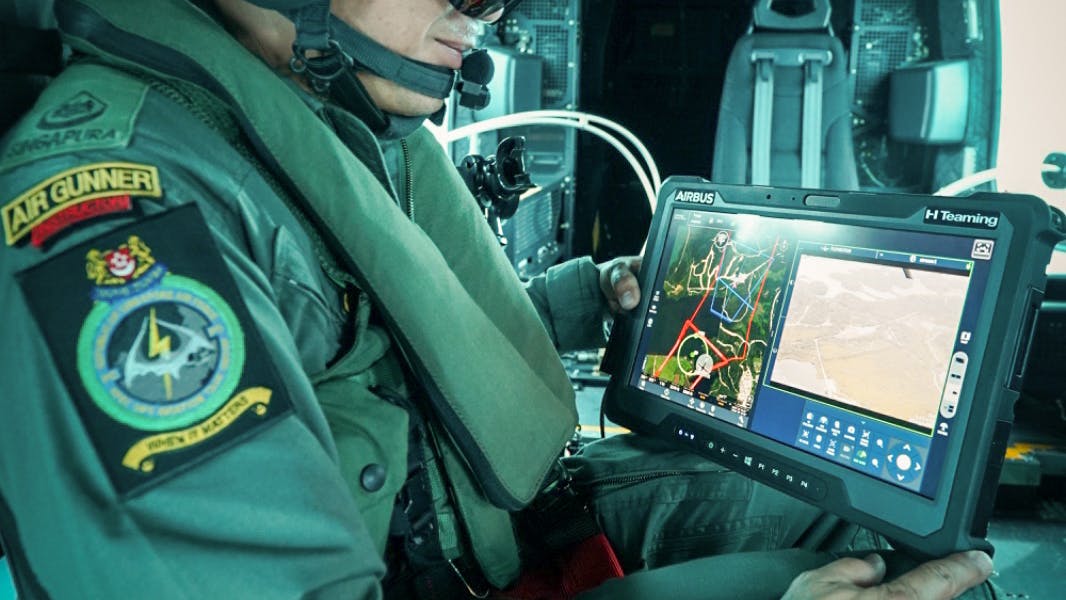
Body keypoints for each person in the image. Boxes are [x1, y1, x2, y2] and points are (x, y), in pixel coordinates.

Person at [0, 0, 995, 598]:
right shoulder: (127, 220)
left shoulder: (297, 119)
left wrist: (586, 295)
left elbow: (378, 331)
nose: (490, 14)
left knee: (879, 516)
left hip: (479, 542)